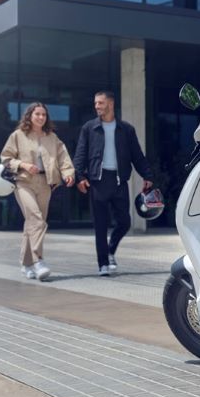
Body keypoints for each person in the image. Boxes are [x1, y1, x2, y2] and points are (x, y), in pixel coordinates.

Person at [73, 91, 153, 276]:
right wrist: (79, 177)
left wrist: (147, 176)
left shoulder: (126, 129)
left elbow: (137, 155)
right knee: (100, 225)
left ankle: (110, 250)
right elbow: (80, 154)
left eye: (100, 103)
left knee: (125, 222)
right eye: (95, 103)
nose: (97, 106)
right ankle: (103, 264)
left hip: (119, 182)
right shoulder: (89, 128)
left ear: (110, 104)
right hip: (98, 182)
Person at [0, 102, 75, 281]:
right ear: (30, 116)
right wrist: (23, 165)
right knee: (36, 220)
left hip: (45, 184)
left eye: (44, 115)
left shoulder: (52, 137)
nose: (41, 117)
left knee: (32, 224)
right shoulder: (18, 135)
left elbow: (63, 158)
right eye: (37, 114)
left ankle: (26, 264)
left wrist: (68, 173)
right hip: (24, 182)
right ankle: (38, 261)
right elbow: (6, 158)